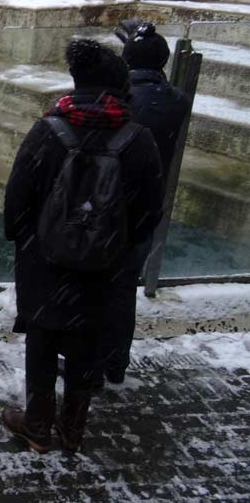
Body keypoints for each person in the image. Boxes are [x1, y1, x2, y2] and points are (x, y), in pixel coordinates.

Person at [2, 39, 164, 454]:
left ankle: (37, 424)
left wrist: (30, 243)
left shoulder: (48, 131)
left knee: (41, 343)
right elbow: (150, 212)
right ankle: (73, 429)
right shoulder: (138, 139)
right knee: (85, 345)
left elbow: (17, 198)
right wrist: (116, 248)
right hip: (103, 268)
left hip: (46, 264)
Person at [95, 20, 190, 385]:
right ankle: (116, 362)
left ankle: (87, 363)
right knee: (123, 292)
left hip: (107, 208)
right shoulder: (176, 100)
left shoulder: (119, 103)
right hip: (145, 210)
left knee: (94, 288)